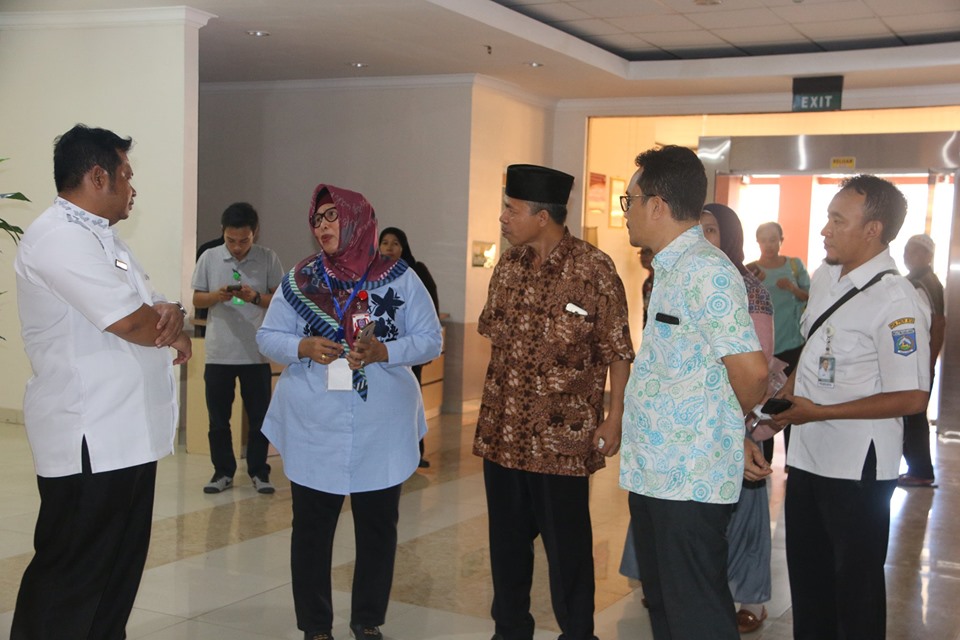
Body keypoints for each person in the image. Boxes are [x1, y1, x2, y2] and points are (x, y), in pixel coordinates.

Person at [11, 124, 192, 639]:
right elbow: (132, 322)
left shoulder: (103, 239)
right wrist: (168, 326)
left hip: (126, 436)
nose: (133, 187)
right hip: (89, 436)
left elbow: (153, 307)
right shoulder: (58, 237)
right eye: (126, 175)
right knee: (72, 575)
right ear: (97, 176)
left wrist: (173, 312)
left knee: (116, 573)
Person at [256, 184, 442, 640]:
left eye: (332, 216)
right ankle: (315, 625)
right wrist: (302, 346)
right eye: (317, 218)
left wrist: (385, 351)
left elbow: (430, 339)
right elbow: (267, 336)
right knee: (311, 530)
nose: (322, 226)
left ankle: (368, 619)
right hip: (314, 422)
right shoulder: (301, 280)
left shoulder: (400, 278)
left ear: (357, 220)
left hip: (382, 425)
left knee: (378, 528)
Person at [475, 164, 634, 640]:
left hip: (561, 439)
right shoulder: (508, 266)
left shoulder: (594, 269)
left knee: (568, 551)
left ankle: (578, 633)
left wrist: (614, 417)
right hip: (503, 433)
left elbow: (618, 350)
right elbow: (492, 331)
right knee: (506, 546)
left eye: (512, 209)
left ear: (542, 216)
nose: (503, 218)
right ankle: (509, 631)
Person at [771, 175, 930, 640]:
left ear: (873, 230)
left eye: (838, 221)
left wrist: (819, 412)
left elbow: (912, 396)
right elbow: (813, 350)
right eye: (828, 218)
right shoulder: (825, 277)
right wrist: (781, 402)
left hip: (857, 469)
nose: (825, 229)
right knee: (809, 586)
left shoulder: (897, 300)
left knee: (855, 594)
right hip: (807, 456)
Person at [619, 145, 768, 640]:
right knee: (666, 606)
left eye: (630, 200)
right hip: (656, 472)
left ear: (657, 205)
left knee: (697, 615)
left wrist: (725, 427)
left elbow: (752, 373)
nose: (627, 212)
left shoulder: (707, 270)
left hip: (689, 478)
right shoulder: (669, 269)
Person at [701, 203, 785, 634]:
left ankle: (751, 596)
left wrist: (738, 423)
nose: (702, 238)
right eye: (697, 229)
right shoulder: (686, 280)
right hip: (694, 419)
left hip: (742, 417)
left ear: (730, 236)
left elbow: (759, 364)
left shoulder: (752, 290)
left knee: (746, 510)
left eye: (711, 230)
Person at [192, 202, 284, 494]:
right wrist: (216, 296)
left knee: (259, 418)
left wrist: (254, 297)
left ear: (255, 233)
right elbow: (196, 299)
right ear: (223, 232)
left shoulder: (268, 258)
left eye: (244, 241)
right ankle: (222, 472)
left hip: (256, 352)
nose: (237, 247)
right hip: (219, 352)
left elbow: (280, 301)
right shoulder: (209, 257)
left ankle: (259, 472)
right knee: (218, 419)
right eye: (231, 240)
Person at [747, 221, 810, 461]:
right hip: (763, 349)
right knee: (763, 405)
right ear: (757, 242)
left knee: (791, 402)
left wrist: (792, 288)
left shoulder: (794, 266)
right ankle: (764, 459)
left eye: (773, 239)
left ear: (781, 240)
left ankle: (793, 462)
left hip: (792, 345)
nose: (769, 245)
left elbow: (811, 297)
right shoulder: (751, 270)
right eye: (764, 240)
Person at [378, 226, 440, 468]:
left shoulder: (415, 272)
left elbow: (430, 309)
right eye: (385, 243)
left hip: (410, 351)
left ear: (403, 247)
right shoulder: (372, 276)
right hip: (379, 354)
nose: (389, 248)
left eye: (395, 243)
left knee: (411, 400)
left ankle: (416, 451)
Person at [899, 233, 945, 487]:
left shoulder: (926, 283)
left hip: (919, 362)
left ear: (928, 256)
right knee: (912, 415)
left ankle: (920, 471)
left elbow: (938, 323)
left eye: (914, 250)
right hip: (916, 361)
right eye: (906, 249)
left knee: (914, 416)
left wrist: (929, 361)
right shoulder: (916, 280)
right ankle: (917, 469)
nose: (908, 255)